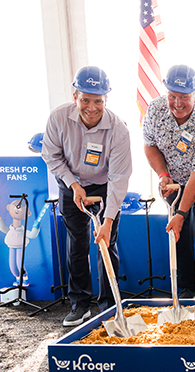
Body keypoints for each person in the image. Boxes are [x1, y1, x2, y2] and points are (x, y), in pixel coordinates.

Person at [41, 66, 132, 326]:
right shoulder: (58, 119)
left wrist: (108, 220)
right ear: (75, 97)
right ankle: (80, 304)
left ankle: (109, 306)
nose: (91, 107)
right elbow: (52, 156)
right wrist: (72, 185)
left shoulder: (118, 129)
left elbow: (119, 178)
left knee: (107, 242)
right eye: (85, 100)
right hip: (71, 185)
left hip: (104, 187)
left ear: (106, 100)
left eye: (98, 101)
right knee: (77, 243)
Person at [143, 64, 195, 299]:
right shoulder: (155, 109)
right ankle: (186, 289)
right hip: (173, 181)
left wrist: (181, 214)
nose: (177, 103)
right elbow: (149, 145)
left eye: (184, 97)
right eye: (172, 96)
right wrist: (162, 174)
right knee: (178, 236)